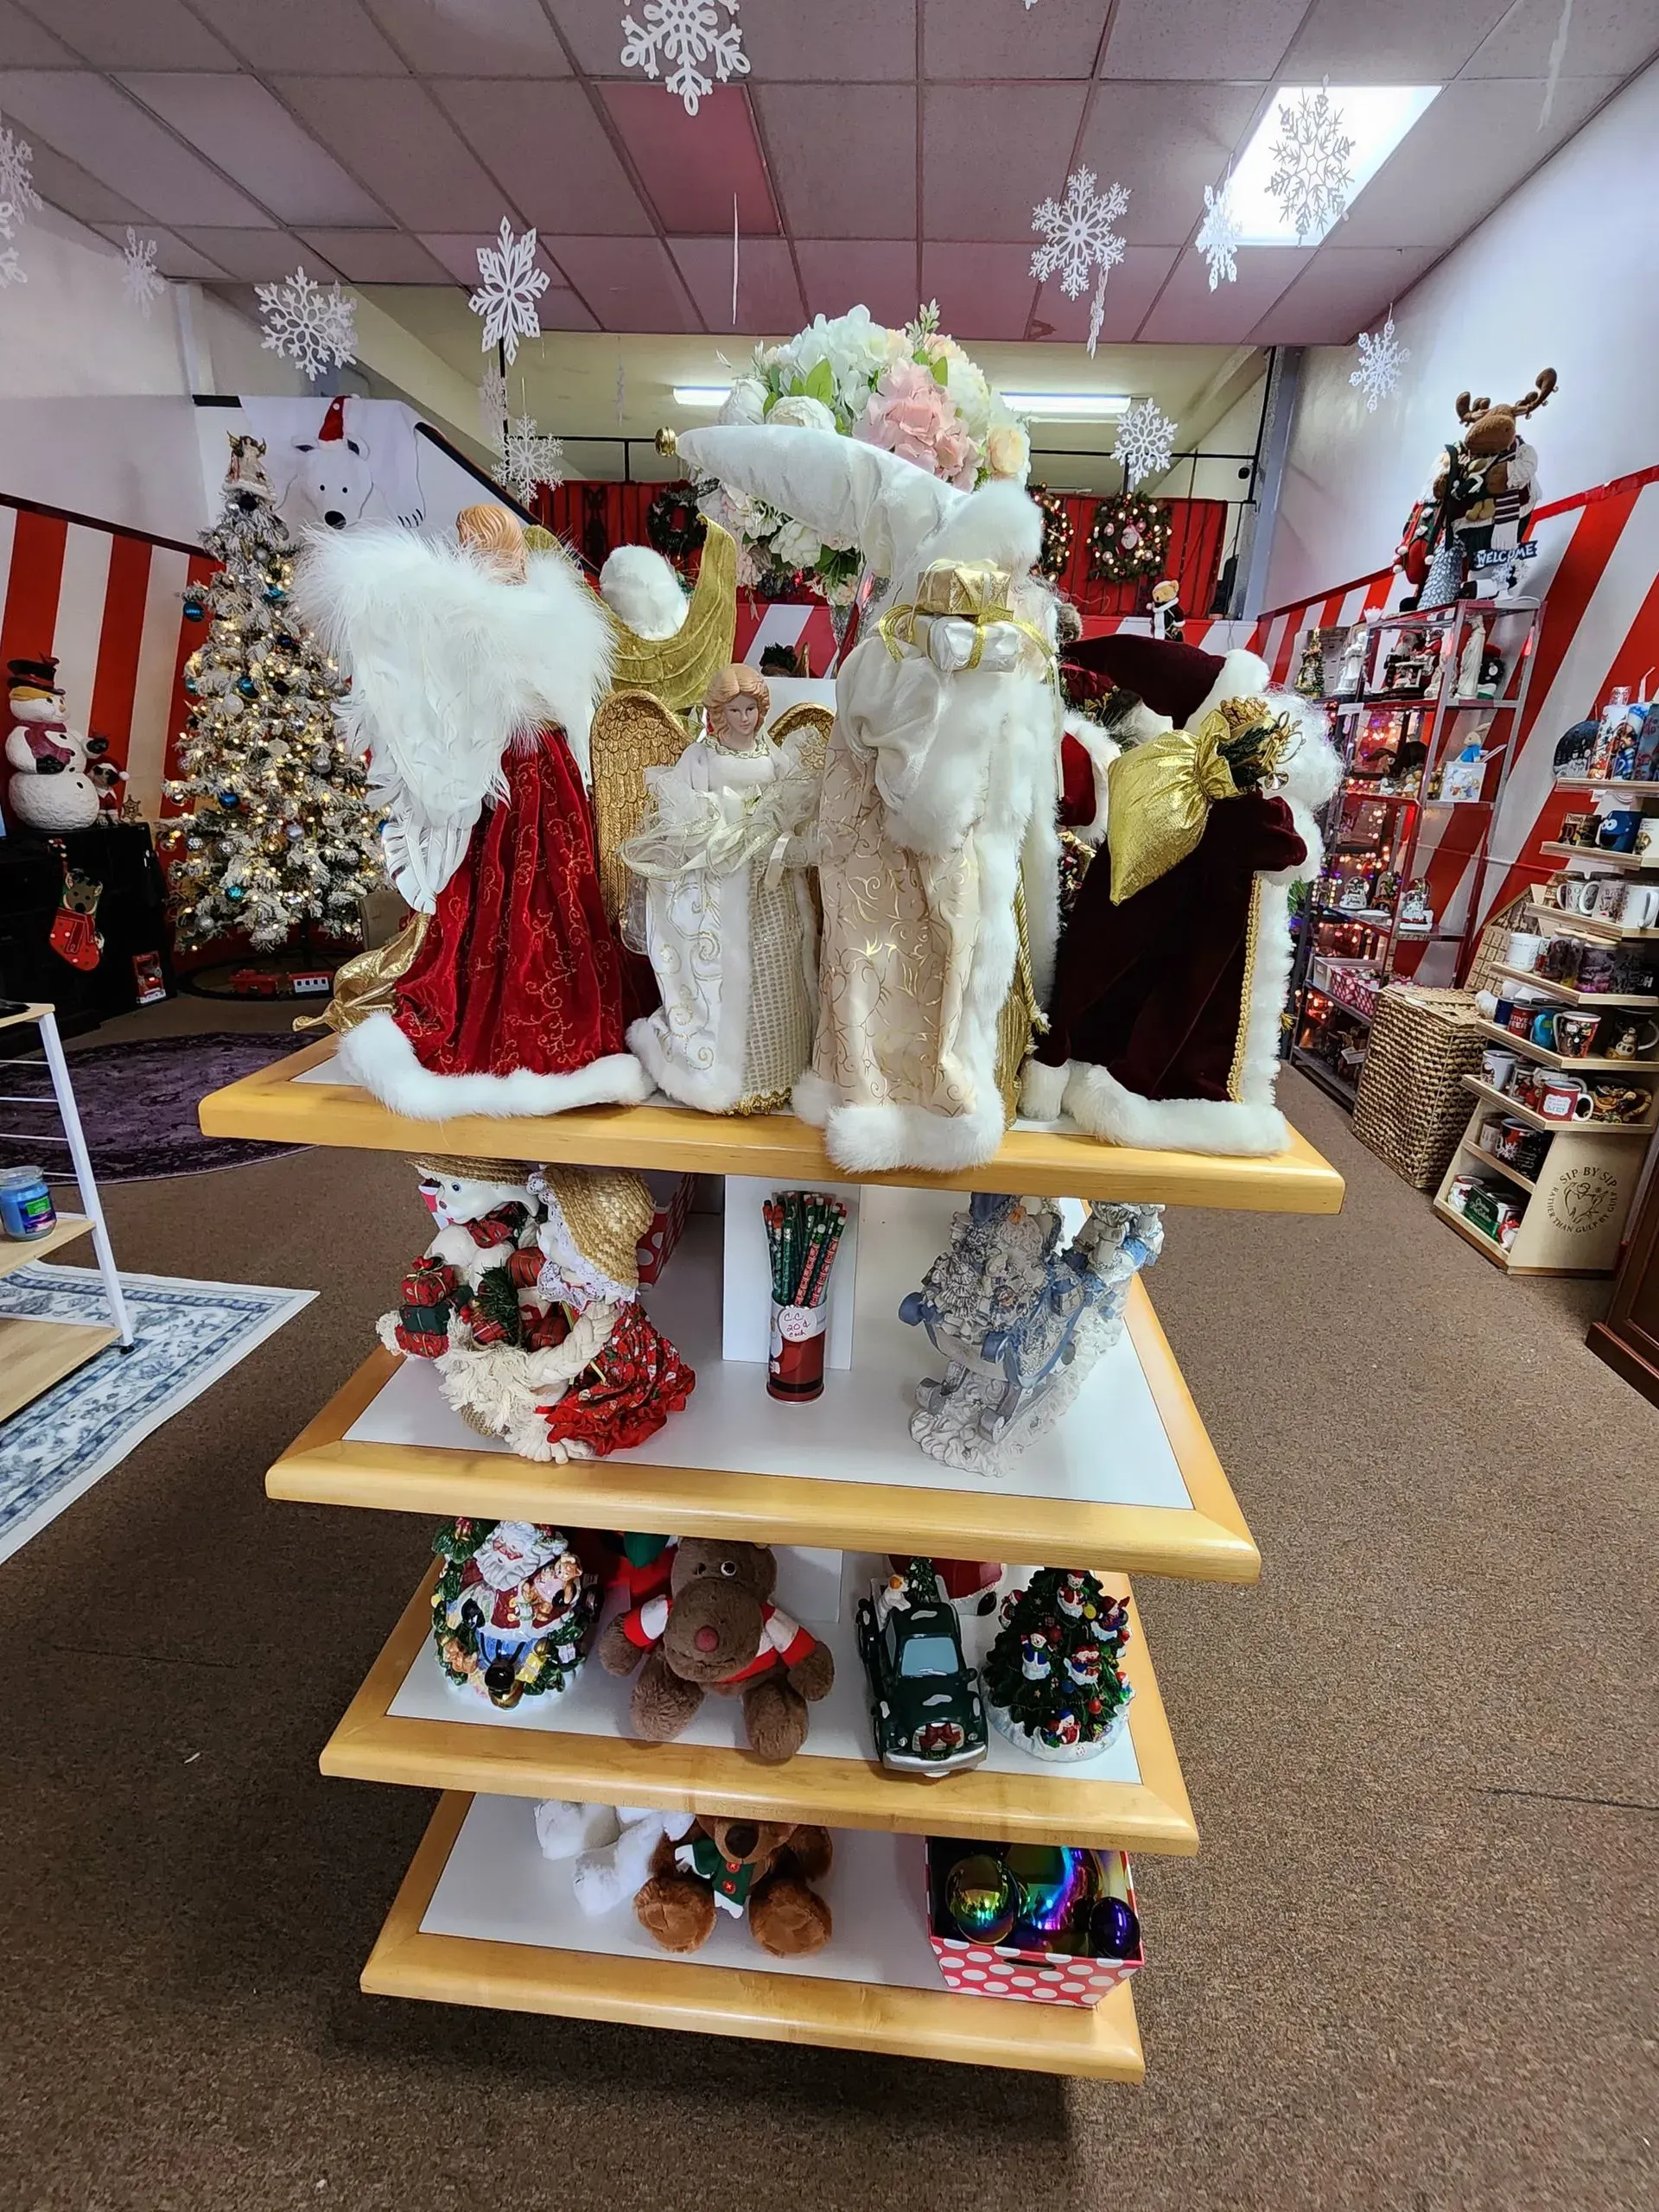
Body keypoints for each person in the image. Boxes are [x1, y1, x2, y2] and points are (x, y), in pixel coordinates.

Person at [296, 505, 649, 1117]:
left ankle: (573, 1019)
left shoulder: (552, 606)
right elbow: (439, 704)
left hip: (551, 775)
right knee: (496, 896)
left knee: (563, 894)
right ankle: (505, 1028)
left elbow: (573, 704)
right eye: (491, 548)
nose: (506, 561)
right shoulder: (453, 615)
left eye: (510, 549)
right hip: (492, 781)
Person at [621, 662, 820, 1114]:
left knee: (774, 963)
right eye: (736, 709)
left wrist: (775, 824)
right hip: (718, 871)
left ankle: (775, 1067)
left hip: (766, 879)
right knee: (722, 966)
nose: (746, 718)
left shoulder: (771, 752)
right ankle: (717, 1068)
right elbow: (681, 811)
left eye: (751, 708)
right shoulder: (702, 756)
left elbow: (792, 797)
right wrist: (713, 825)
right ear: (720, 711)